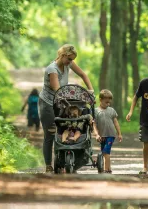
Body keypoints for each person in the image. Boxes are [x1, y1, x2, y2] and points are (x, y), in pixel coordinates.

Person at [39, 44, 94, 173]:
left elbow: (83, 75)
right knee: (51, 133)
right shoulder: (52, 70)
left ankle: (66, 161)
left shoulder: (68, 64)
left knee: (66, 128)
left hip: (61, 103)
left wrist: (90, 91)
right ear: (63, 55)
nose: (71, 62)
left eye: (72, 60)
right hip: (48, 103)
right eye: (69, 59)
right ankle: (48, 164)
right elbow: (58, 90)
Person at [94, 89, 122, 174]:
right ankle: (109, 168)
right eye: (106, 102)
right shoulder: (95, 111)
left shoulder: (111, 110)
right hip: (102, 135)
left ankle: (105, 170)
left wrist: (119, 133)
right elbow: (94, 124)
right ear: (100, 100)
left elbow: (116, 122)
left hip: (111, 134)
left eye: (109, 102)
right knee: (104, 152)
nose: (108, 104)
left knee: (106, 151)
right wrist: (96, 134)